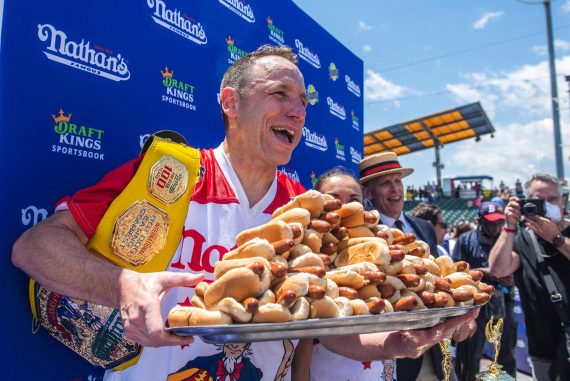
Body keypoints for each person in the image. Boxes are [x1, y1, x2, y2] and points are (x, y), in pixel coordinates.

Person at [13, 45, 478, 381]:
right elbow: (35, 248)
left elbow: (327, 325)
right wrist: (122, 285)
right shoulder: (171, 173)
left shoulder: (306, 208)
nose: (297, 112)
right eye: (279, 94)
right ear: (230, 103)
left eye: (303, 102)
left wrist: (395, 343)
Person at [293, 166, 397, 381]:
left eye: (353, 198)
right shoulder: (305, 251)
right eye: (334, 198)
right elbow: (302, 338)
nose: (344, 205)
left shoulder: (384, 245)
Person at [359, 152, 444, 381]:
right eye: (386, 183)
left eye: (398, 181)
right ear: (368, 192)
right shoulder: (363, 234)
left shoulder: (425, 227)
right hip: (387, 353)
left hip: (431, 353)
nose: (395, 189)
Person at [489, 172, 570, 381]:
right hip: (542, 351)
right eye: (538, 201)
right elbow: (498, 269)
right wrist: (509, 226)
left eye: (551, 200)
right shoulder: (523, 238)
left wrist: (556, 238)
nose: (545, 206)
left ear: (563, 201)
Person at [451, 202, 517, 381]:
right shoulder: (465, 239)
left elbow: (520, 266)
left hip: (503, 305)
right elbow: (454, 272)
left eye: (498, 223)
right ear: (479, 221)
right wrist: (484, 273)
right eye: (490, 223)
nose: (495, 227)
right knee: (471, 357)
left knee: (505, 356)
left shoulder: (508, 239)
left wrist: (511, 277)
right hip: (475, 309)